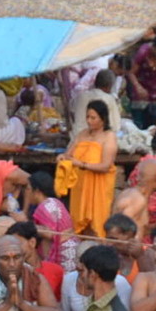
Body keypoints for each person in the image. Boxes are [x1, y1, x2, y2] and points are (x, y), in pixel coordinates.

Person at [57, 99, 118, 238]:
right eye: (87, 117)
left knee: (98, 225)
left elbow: (105, 166)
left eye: (93, 118)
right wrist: (62, 157)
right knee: (78, 223)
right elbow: (69, 154)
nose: (89, 121)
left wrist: (82, 165)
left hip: (99, 187)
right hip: (81, 185)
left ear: (103, 118)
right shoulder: (82, 134)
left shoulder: (109, 136)